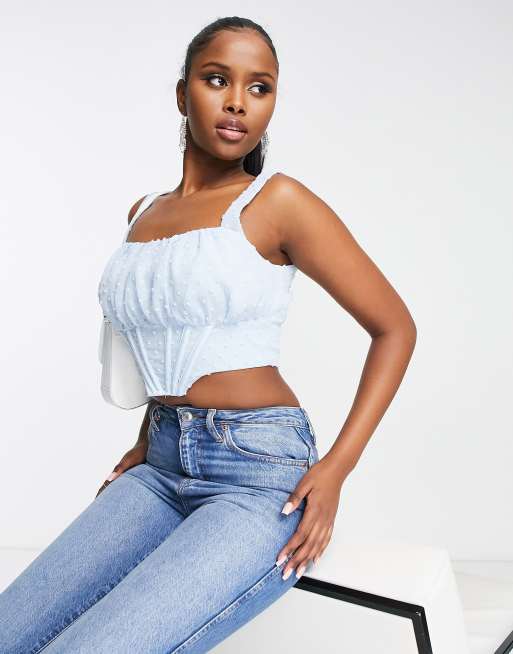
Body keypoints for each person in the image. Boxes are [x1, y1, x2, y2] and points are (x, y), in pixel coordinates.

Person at [0, 15, 417, 653]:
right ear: (182, 93)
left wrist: (336, 470)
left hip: (257, 476)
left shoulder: (277, 202)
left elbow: (395, 328)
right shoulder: (143, 213)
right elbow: (164, 331)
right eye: (218, 79)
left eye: (259, 88)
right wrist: (150, 435)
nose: (237, 102)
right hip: (160, 464)